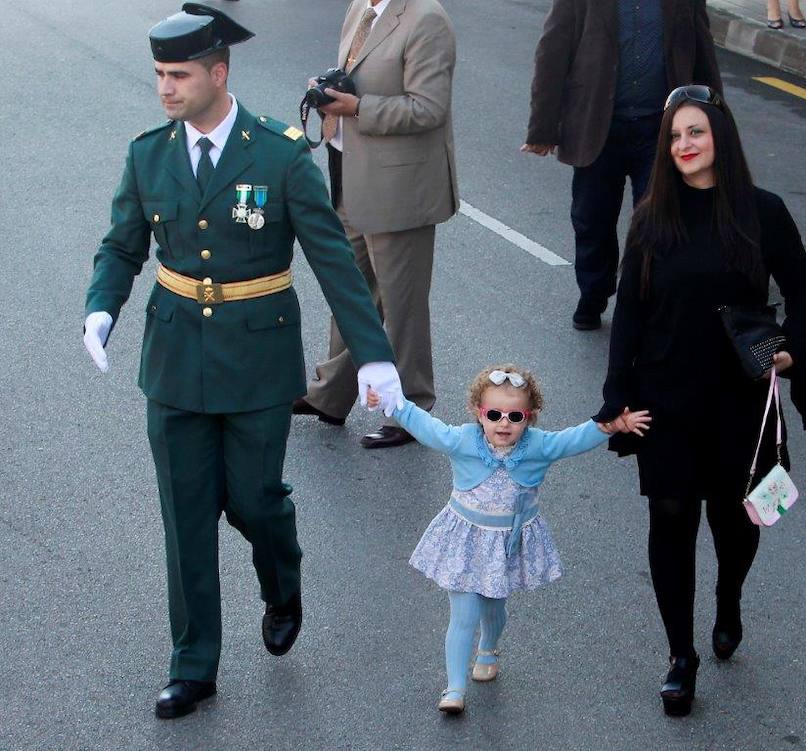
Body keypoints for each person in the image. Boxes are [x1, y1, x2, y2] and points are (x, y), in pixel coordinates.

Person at [82, 3, 402, 719]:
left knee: (254, 500)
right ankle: (193, 665)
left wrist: (374, 357)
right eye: (159, 74)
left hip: (257, 359)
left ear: (219, 73)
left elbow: (334, 262)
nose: (165, 88)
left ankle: (282, 580)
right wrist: (102, 304)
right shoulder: (148, 154)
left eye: (179, 75)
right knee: (186, 515)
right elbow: (122, 245)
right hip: (174, 359)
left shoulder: (279, 155)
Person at [595, 85, 806, 717]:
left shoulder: (762, 211)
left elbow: (803, 291)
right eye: (674, 136)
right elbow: (630, 312)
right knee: (670, 516)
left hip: (739, 394)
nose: (684, 145)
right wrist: (616, 392)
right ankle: (680, 656)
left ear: (720, 135)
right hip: (665, 393)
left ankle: (729, 596)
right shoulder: (652, 217)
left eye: (695, 131)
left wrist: (789, 347)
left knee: (735, 517)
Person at [366, 365, 651, 713]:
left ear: (529, 417)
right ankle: (454, 688)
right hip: (465, 541)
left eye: (515, 416)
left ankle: (488, 647)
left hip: (506, 545)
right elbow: (427, 427)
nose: (504, 423)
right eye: (494, 415)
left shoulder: (538, 446)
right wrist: (392, 403)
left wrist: (612, 425)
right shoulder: (462, 440)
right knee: (463, 614)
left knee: (493, 608)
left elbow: (572, 439)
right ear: (478, 413)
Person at [292, 0, 459, 449]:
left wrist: (357, 107)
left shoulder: (427, 19)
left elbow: (428, 108)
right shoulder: (361, 9)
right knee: (351, 292)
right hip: (353, 179)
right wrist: (329, 93)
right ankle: (331, 394)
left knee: (402, 306)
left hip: (401, 190)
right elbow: (358, 74)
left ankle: (412, 409)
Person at [522, 0, 721, 331]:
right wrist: (542, 129)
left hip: (662, 130)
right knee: (591, 219)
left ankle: (640, 302)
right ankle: (593, 292)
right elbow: (552, 52)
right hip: (598, 126)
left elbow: (703, 55)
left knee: (657, 221)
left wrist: (715, 125)